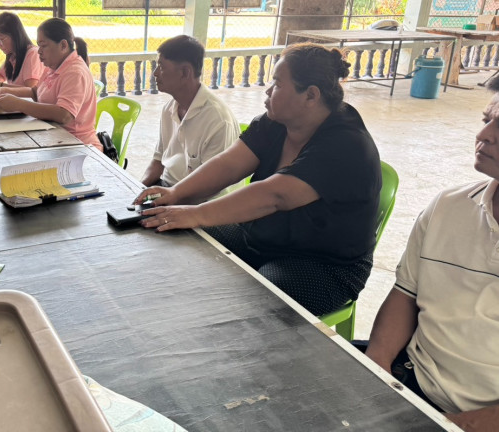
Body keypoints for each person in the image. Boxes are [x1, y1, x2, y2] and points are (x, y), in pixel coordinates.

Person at [135, 43, 381, 316]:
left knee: (259, 297)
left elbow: (275, 195)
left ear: (311, 95)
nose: (268, 91)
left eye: (277, 84)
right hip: (263, 236)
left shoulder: (345, 144)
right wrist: (176, 194)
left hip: (324, 264)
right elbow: (230, 164)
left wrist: (195, 213)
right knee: (181, 236)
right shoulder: (275, 121)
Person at [364, 79, 499, 431]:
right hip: (412, 378)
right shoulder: (448, 206)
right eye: (487, 120)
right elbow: (405, 294)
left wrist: (449, 425)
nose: (484, 135)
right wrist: (375, 368)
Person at [141, 35, 239, 199]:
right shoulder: (169, 109)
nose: (155, 73)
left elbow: (210, 186)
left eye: (162, 67)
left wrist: (171, 199)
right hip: (167, 190)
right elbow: (158, 161)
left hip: (200, 203)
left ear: (185, 72)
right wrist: (137, 189)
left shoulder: (218, 120)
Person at [0, 18, 101, 151]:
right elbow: (35, 92)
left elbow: (64, 115)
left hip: (78, 146)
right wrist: (1, 90)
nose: (39, 51)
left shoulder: (75, 72)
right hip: (54, 138)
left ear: (63, 45)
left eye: (43, 46)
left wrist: (18, 104)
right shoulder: (52, 67)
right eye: (38, 45)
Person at [0, 12, 44, 92]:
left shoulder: (32, 54)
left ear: (15, 36)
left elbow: (30, 91)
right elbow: (0, 75)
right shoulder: (13, 55)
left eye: (1, 39)